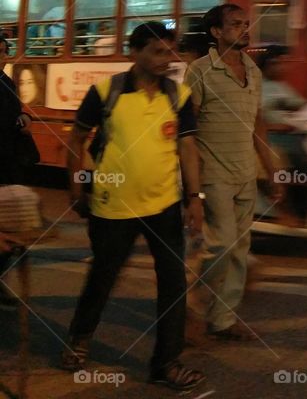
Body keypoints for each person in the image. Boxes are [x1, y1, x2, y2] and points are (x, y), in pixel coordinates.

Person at [61, 22, 205, 391]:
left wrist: (194, 197)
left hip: (164, 205)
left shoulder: (178, 95)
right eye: (157, 51)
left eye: (170, 52)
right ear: (134, 53)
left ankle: (165, 364)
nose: (166, 60)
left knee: (173, 284)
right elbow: (76, 138)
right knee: (102, 279)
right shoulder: (106, 92)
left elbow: (187, 148)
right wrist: (76, 183)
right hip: (113, 207)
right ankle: (78, 340)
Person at [185, 4, 281, 342]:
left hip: (245, 172)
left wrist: (270, 168)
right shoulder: (198, 71)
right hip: (213, 172)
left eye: (245, 23)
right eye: (235, 24)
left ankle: (223, 319)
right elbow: (188, 130)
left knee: (240, 249)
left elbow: (258, 123)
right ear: (216, 32)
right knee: (221, 245)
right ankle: (193, 304)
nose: (244, 29)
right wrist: (191, 186)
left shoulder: (252, 70)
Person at [260, 46, 307, 218]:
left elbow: (300, 104)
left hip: (290, 135)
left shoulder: (282, 86)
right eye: (277, 63)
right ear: (267, 65)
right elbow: (253, 119)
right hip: (270, 138)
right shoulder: (258, 86)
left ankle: (305, 211)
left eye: (284, 63)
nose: (281, 67)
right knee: (294, 167)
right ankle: (287, 210)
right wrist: (275, 126)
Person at [0, 37, 33, 185]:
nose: (5, 57)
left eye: (5, 51)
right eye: (0, 52)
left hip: (8, 153)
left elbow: (13, 111)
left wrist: (23, 117)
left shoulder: (5, 80)